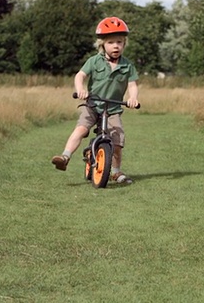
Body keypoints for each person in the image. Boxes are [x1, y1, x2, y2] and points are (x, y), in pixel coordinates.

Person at [51, 16, 140, 184]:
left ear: (124, 44)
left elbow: (132, 84)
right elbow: (80, 76)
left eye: (120, 42)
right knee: (82, 129)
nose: (116, 46)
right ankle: (65, 157)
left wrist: (133, 97)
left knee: (117, 141)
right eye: (111, 42)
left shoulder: (127, 65)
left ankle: (115, 171)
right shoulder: (94, 61)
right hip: (92, 104)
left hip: (113, 108)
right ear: (102, 45)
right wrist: (81, 89)